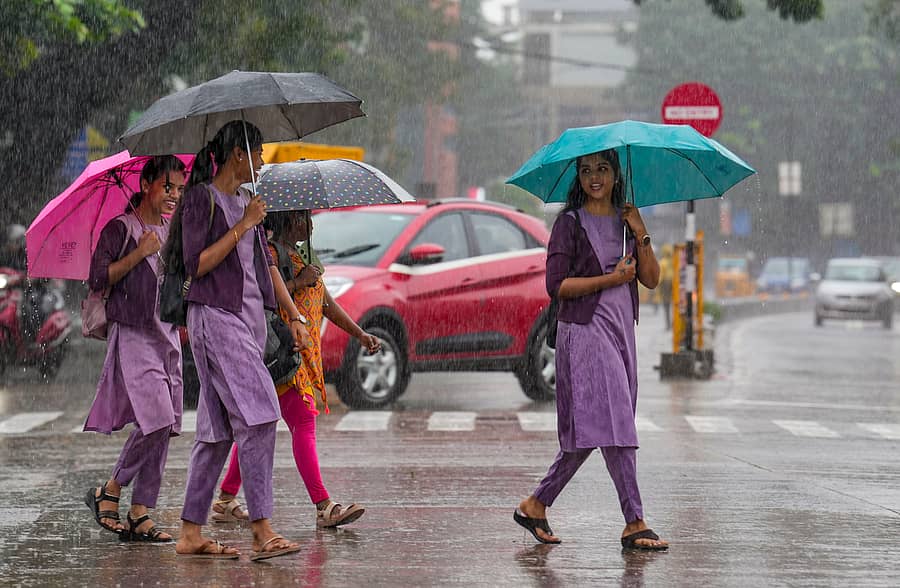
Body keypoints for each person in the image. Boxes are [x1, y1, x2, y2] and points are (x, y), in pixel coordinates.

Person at [513, 149, 669, 551]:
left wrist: (641, 231)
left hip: (621, 334)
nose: (594, 177)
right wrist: (609, 279)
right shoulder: (569, 224)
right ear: (578, 178)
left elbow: (652, 279)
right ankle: (635, 521)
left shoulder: (626, 222)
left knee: (589, 432)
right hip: (584, 333)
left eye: (602, 169)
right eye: (586, 170)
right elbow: (557, 287)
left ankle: (536, 504)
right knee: (617, 424)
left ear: (616, 174)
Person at [169, 120, 310, 561]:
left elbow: (263, 267)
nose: (262, 160)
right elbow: (196, 265)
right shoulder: (201, 199)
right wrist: (243, 225)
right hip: (216, 319)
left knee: (216, 433)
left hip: (247, 325)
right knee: (261, 415)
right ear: (237, 154)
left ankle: (190, 532)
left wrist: (291, 315)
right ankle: (261, 529)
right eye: (258, 151)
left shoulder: (248, 200)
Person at [212, 210, 379, 528]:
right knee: (303, 422)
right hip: (285, 353)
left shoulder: (305, 256)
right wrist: (298, 282)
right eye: (303, 217)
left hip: (303, 355)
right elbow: (264, 296)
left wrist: (360, 334)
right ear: (287, 221)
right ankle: (323, 505)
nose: (310, 224)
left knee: (258, 427)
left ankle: (225, 498)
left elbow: (326, 304)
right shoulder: (271, 254)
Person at [83, 155, 187, 542]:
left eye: (179, 189)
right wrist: (139, 253)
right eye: (167, 186)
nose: (174, 195)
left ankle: (141, 511)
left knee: (165, 425)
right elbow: (98, 278)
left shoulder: (172, 230)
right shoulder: (120, 229)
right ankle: (110, 489)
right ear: (146, 185)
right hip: (134, 333)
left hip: (167, 335)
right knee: (156, 419)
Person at [657, 244, 674, 330]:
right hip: (674, 283)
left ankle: (668, 324)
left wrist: (658, 284)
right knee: (675, 304)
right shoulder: (673, 261)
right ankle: (674, 323)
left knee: (666, 305)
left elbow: (661, 275)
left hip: (665, 284)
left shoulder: (662, 262)